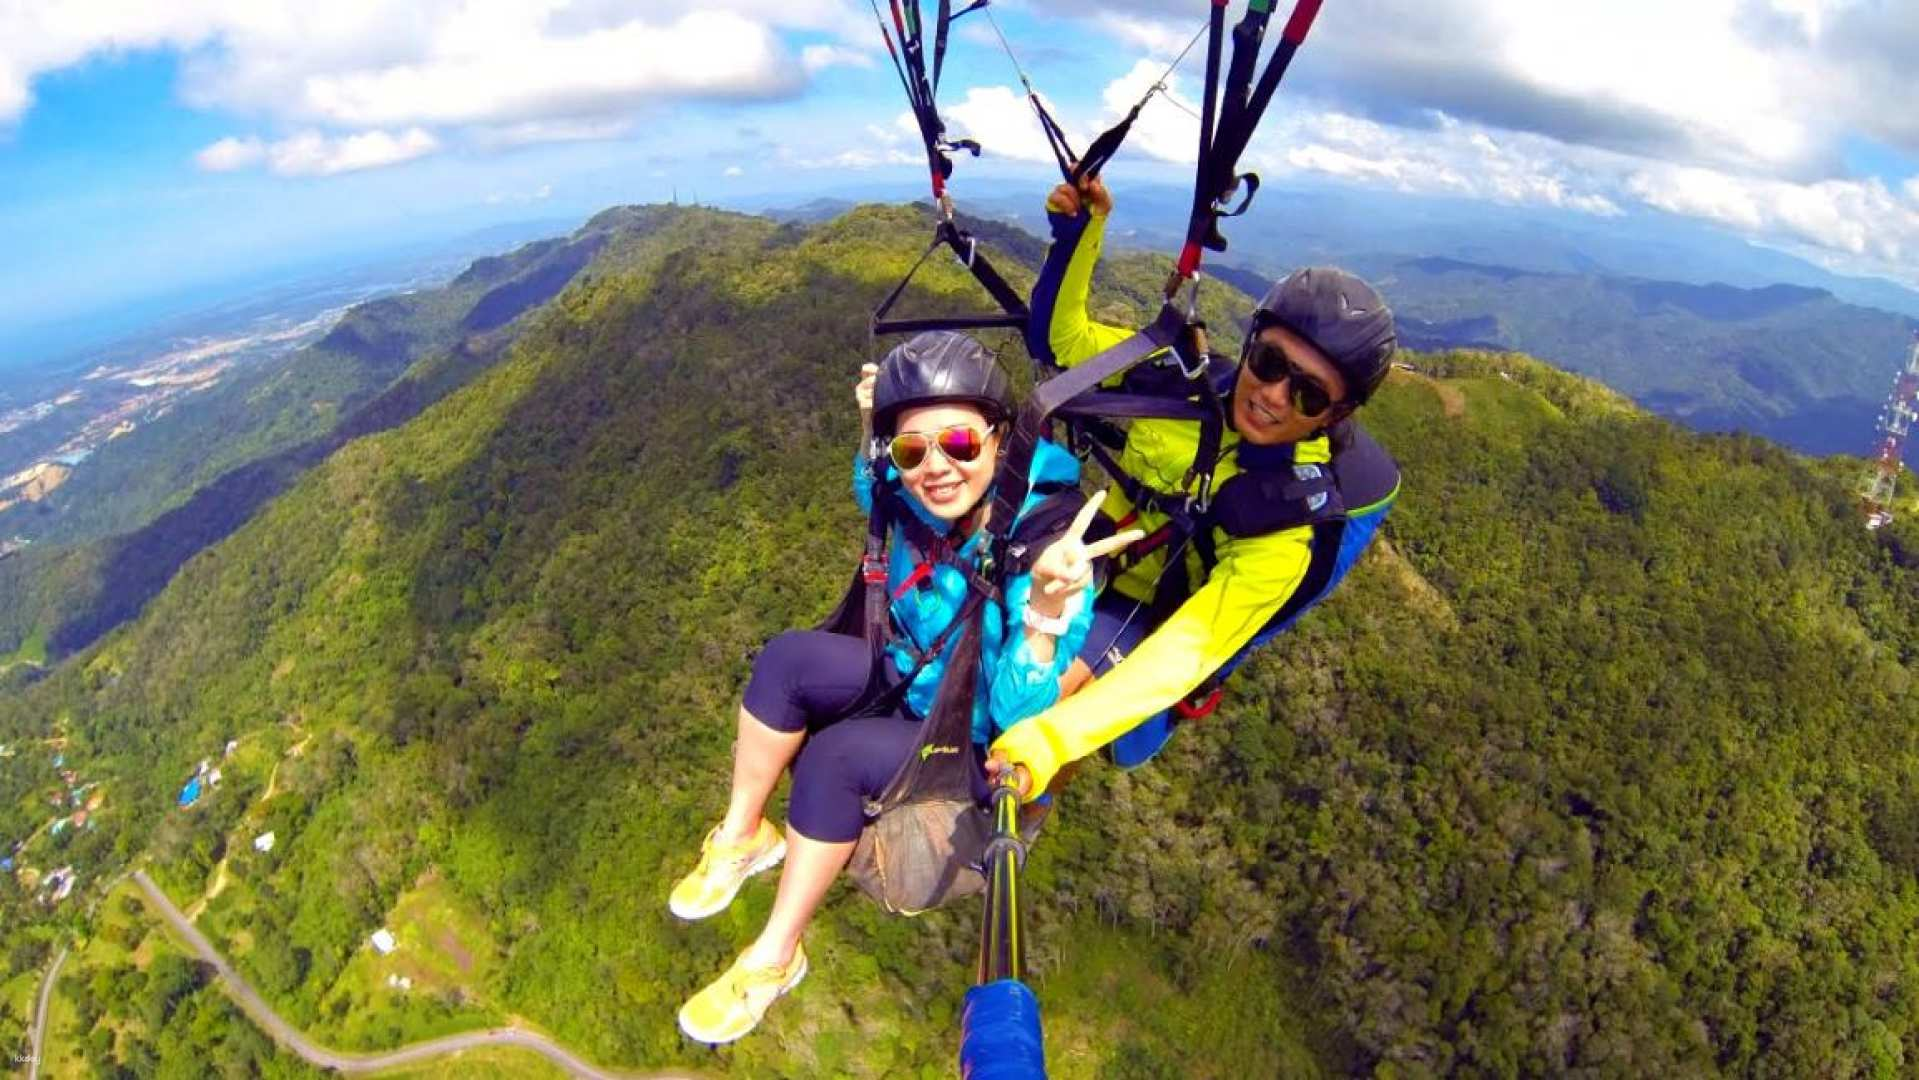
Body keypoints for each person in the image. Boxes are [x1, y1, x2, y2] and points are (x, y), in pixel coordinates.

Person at [672, 330, 1137, 1045]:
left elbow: (1019, 717)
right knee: (787, 660)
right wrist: (872, 429)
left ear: (1001, 438)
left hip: (972, 733)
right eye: (914, 450)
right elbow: (875, 489)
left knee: (836, 758)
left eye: (960, 443)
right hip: (914, 675)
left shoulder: (1047, 543)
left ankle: (776, 955)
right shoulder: (918, 491)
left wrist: (1044, 611)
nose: (937, 467)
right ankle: (742, 837)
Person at [987, 177, 1403, 800]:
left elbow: (1190, 646)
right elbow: (1063, 344)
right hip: (1089, 556)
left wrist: (1047, 743)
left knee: (1039, 708)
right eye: (1269, 364)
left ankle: (1023, 808)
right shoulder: (1184, 383)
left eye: (1308, 394)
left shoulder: (1288, 527)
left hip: (1151, 609)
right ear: (1250, 345)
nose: (1273, 395)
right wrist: (1078, 236)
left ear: (1334, 416)